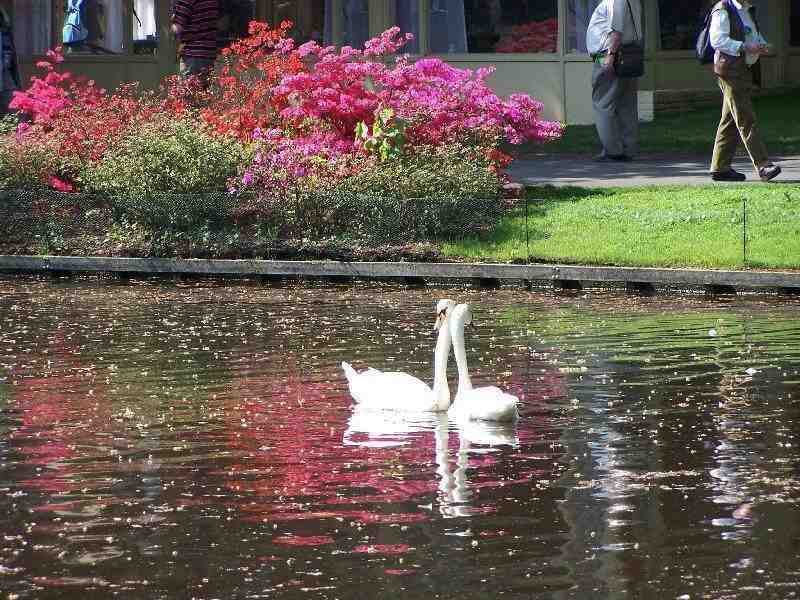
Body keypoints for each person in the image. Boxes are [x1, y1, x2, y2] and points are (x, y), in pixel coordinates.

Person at [708, 0, 780, 182]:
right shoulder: (723, 9)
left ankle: (720, 168)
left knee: (730, 120)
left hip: (743, 70)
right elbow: (717, 40)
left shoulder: (747, 10)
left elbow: (752, 36)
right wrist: (745, 47)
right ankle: (763, 165)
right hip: (730, 71)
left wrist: (763, 45)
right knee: (746, 118)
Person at [586, 0, 643, 162]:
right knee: (627, 105)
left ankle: (613, 151)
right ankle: (628, 148)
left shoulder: (615, 1)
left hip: (610, 54)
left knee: (602, 104)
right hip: (629, 54)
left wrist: (610, 56)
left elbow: (616, 31)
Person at [171, 0, 220, 84]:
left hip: (192, 55)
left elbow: (177, 28)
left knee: (189, 94)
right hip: (209, 52)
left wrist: (167, 25)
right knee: (203, 94)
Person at [0, 3, 20, 115]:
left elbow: (8, 49)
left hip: (5, 75)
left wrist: (7, 61)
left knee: (13, 109)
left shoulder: (4, 27)